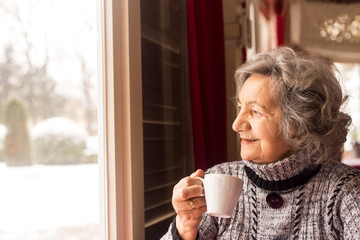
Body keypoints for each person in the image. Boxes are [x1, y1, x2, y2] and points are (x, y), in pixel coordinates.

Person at [161, 46, 360, 239]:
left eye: (255, 111)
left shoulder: (346, 191)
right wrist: (185, 226)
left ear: (299, 123)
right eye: (240, 108)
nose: (236, 125)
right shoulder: (215, 182)